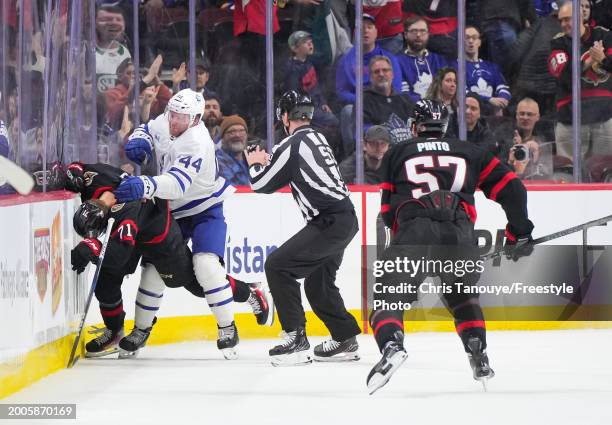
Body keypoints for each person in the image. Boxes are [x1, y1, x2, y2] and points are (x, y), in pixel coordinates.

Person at [366, 99, 534, 394]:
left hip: (415, 230)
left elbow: (389, 211)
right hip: (459, 234)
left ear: (415, 127)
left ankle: (392, 345)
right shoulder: (470, 152)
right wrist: (518, 233)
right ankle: (477, 352)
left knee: (388, 298)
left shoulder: (398, 152)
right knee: (462, 297)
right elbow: (514, 189)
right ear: (444, 126)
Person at [66, 162, 273, 358]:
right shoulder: (94, 180)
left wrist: (93, 247)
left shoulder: (125, 212)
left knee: (197, 283)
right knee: (106, 279)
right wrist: (73, 171)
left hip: (160, 241)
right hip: (136, 233)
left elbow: (118, 256)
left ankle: (249, 291)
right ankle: (115, 331)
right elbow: (79, 166)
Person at [114, 89, 261, 359]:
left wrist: (145, 184)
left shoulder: (197, 141)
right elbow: (148, 128)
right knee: (154, 269)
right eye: (173, 114)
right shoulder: (169, 118)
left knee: (205, 266)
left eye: (182, 117)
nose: (174, 121)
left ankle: (227, 327)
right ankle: (141, 329)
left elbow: (177, 186)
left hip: (205, 208)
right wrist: (140, 139)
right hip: (174, 213)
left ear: (195, 119)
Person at [245, 90, 361, 366]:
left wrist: (254, 165)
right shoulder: (318, 138)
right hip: (345, 218)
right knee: (318, 283)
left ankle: (295, 338)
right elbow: (290, 166)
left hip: (329, 221)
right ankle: (345, 337)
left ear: (284, 116)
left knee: (277, 266)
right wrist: (268, 161)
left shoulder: (292, 145)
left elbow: (261, 185)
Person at [549, 2, 612, 163]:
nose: (563, 24)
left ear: (580, 17)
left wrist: (603, 60)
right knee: (568, 173)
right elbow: (564, 77)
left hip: (604, 116)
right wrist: (589, 61)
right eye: (561, 20)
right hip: (570, 118)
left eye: (567, 19)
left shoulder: (604, 36)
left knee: (605, 171)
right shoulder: (557, 43)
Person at [396, 16, 450, 102]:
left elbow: (448, 87)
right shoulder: (397, 61)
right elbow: (403, 93)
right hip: (413, 111)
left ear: (428, 34)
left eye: (422, 31)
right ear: (405, 35)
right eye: (414, 31)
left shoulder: (439, 60)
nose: (418, 35)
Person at [363, 56, 415, 145]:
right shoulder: (364, 100)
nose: (381, 74)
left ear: (392, 74)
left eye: (385, 70)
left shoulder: (405, 100)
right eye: (376, 72)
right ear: (371, 77)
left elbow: (416, 126)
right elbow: (362, 131)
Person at [461, 26, 511, 116]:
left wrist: (502, 100)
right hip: (469, 111)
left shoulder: (491, 66)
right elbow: (462, 92)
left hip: (491, 112)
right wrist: (489, 100)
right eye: (467, 37)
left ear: (479, 42)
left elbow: (503, 87)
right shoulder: (456, 66)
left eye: (474, 37)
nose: (471, 41)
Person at [216, 115, 250, 186]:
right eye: (232, 132)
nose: (237, 135)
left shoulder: (251, 159)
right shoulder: (216, 161)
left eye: (241, 131)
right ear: (222, 138)